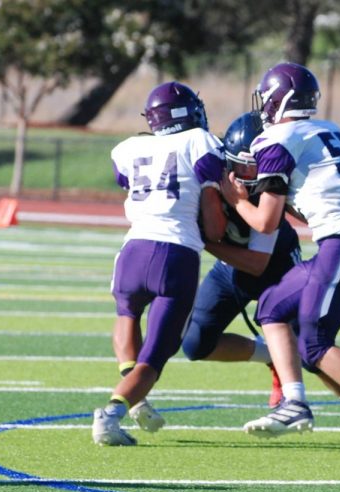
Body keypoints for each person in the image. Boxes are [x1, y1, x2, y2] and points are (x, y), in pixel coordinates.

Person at [219, 62, 340, 457]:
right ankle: (294, 402)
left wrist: (236, 197)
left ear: (277, 99)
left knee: (314, 344)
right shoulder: (330, 130)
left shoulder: (275, 139)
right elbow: (312, 203)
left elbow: (266, 221)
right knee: (272, 306)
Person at [181, 112, 340, 446]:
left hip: (272, 265)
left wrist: (209, 243)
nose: (249, 176)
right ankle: (271, 355)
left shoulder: (271, 189)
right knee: (194, 342)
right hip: (229, 266)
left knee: (310, 350)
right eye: (242, 168)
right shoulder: (210, 177)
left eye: (256, 168)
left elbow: (257, 261)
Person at [93, 81, 226, 446]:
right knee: (154, 358)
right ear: (188, 113)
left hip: (133, 249)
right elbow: (213, 219)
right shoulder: (200, 141)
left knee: (127, 315)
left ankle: (132, 391)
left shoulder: (131, 147)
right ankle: (111, 414)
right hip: (175, 253)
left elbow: (128, 178)